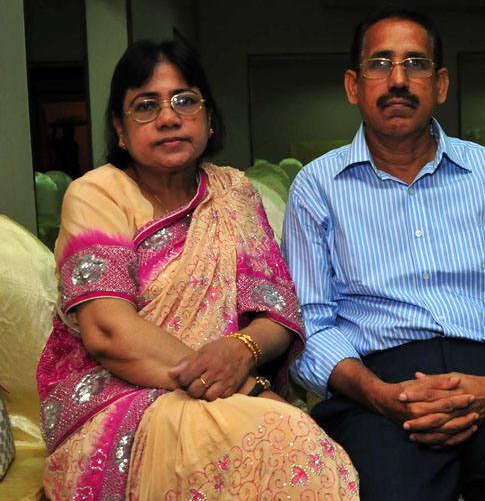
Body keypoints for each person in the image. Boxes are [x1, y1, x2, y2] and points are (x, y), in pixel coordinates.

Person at [281, 7, 485, 501]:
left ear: (440, 84)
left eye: (416, 64)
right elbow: (308, 324)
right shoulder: (317, 187)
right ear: (353, 85)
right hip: (375, 388)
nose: (398, 80)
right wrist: (381, 395)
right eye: (380, 64)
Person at [36, 40, 358, 501]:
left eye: (184, 100)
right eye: (145, 105)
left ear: (208, 117)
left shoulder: (234, 194)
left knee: (292, 440)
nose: (169, 117)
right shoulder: (98, 193)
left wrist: (242, 349)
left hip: (226, 392)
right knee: (286, 439)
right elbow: (108, 331)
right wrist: (241, 385)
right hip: (119, 397)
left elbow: (278, 314)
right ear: (120, 128)